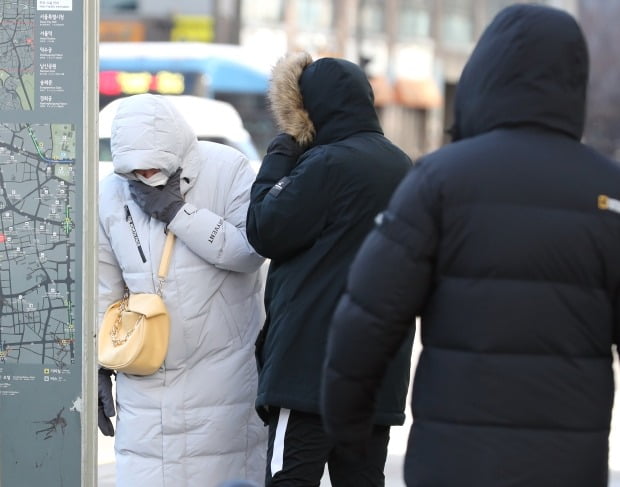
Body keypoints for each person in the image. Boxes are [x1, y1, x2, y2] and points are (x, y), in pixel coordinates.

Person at [320, 4, 620, 487]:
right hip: (568, 466)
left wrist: (349, 431)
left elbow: (368, 321)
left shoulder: (440, 180)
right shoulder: (609, 193)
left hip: (452, 463)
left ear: (485, 74)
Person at [246, 52, 415, 486]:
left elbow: (265, 228)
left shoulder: (326, 163)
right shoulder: (402, 166)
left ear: (307, 108)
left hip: (309, 374)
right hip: (377, 375)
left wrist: (283, 150)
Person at [97, 93, 268, 487]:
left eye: (153, 165)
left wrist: (177, 212)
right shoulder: (111, 192)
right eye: (134, 169)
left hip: (224, 377)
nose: (145, 175)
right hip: (145, 380)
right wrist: (100, 365)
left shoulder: (229, 170)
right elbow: (104, 287)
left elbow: (249, 251)